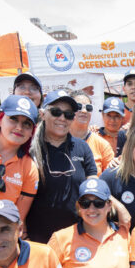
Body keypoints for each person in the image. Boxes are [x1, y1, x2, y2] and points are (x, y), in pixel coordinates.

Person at [25, 90, 98, 243]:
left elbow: (93, 187)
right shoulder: (29, 149)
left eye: (68, 114)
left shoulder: (82, 147)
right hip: (38, 238)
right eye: (56, 112)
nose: (62, 118)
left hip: (76, 238)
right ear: (43, 114)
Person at [0, 95, 40, 220]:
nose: (19, 127)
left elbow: (17, 221)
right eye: (13, 119)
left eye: (27, 124)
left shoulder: (29, 168)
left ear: (31, 132)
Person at [71, 90, 114, 175]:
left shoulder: (103, 145)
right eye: (79, 106)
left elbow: (111, 178)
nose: (84, 111)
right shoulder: (59, 141)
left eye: (88, 108)